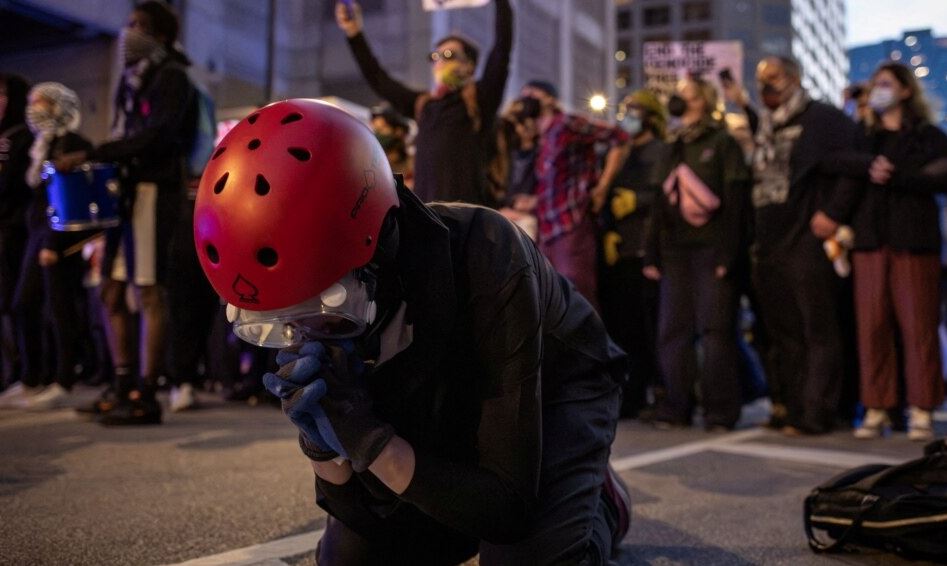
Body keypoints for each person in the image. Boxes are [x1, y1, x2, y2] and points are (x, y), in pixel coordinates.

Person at [193, 99, 632, 564]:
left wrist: (371, 441)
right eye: (278, 324)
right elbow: (360, 511)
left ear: (379, 246)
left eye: (319, 310)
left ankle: (598, 497)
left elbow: (507, 507)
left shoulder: (488, 254)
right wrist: (328, 450)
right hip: (437, 371)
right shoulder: (343, 295)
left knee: (523, 555)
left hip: (557, 379)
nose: (305, 337)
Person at [57, 0, 196, 425]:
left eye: (140, 26)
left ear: (161, 37)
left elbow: (159, 136)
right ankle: (121, 383)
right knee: (112, 291)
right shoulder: (131, 81)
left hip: (154, 191)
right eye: (129, 23)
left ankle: (146, 392)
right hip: (127, 193)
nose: (128, 32)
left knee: (149, 291)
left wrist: (96, 152)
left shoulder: (172, 78)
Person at [749, 56, 858, 435]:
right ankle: (794, 409)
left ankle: (818, 413)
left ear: (794, 78)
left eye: (775, 78)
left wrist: (832, 211)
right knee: (784, 333)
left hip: (806, 240)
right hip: (770, 243)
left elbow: (855, 163)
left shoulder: (822, 118)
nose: (768, 87)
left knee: (817, 329)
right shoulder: (765, 127)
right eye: (761, 80)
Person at [841, 63, 947, 441]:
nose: (878, 90)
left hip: (914, 242)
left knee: (918, 326)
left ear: (905, 91)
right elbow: (836, 161)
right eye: (874, 85)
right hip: (871, 241)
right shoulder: (864, 137)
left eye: (885, 84)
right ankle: (876, 406)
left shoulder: (928, 136)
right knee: (872, 326)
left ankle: (921, 407)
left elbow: (941, 175)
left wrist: (898, 175)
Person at [642, 78, 751, 430]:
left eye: (687, 90)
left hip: (712, 250)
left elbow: (736, 203)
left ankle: (720, 411)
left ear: (703, 100)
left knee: (715, 331)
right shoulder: (671, 146)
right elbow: (658, 205)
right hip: (676, 252)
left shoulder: (722, 143)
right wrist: (652, 254)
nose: (679, 95)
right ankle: (676, 406)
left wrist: (728, 255)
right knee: (672, 331)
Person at [335, 0, 512, 206]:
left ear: (469, 65)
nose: (440, 61)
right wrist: (355, 35)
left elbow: (502, 50)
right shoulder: (424, 105)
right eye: (435, 56)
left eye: (449, 55)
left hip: (468, 218)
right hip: (430, 217)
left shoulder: (480, 100)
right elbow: (379, 79)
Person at [14, 83, 99, 410]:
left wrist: (53, 242)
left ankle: (63, 380)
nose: (35, 109)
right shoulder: (40, 146)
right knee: (25, 305)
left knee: (60, 310)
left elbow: (69, 199)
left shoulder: (74, 144)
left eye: (43, 104)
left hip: (59, 239)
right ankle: (32, 378)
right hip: (37, 235)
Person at [517, 80, 631, 311]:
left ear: (549, 98)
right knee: (551, 297)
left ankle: (590, 346)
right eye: (524, 94)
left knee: (577, 296)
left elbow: (618, 137)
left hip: (572, 223)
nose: (527, 98)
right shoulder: (544, 135)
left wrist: (603, 186)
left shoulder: (567, 123)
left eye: (533, 93)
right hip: (548, 230)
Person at [599, 89, 668, 418]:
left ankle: (650, 391)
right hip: (620, 251)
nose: (628, 115)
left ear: (651, 117)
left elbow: (666, 195)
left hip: (646, 249)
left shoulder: (662, 151)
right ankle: (629, 394)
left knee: (646, 327)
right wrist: (608, 229)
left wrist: (637, 201)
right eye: (625, 109)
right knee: (620, 326)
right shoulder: (619, 152)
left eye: (635, 110)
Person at [0, 73, 33, 401]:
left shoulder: (22, 137)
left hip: (15, 231)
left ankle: (20, 372)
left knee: (15, 302)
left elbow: (16, 185)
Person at [370, 103, 414, 190]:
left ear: (399, 132)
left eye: (383, 128)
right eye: (376, 130)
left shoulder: (412, 168)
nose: (378, 134)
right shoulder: (370, 167)